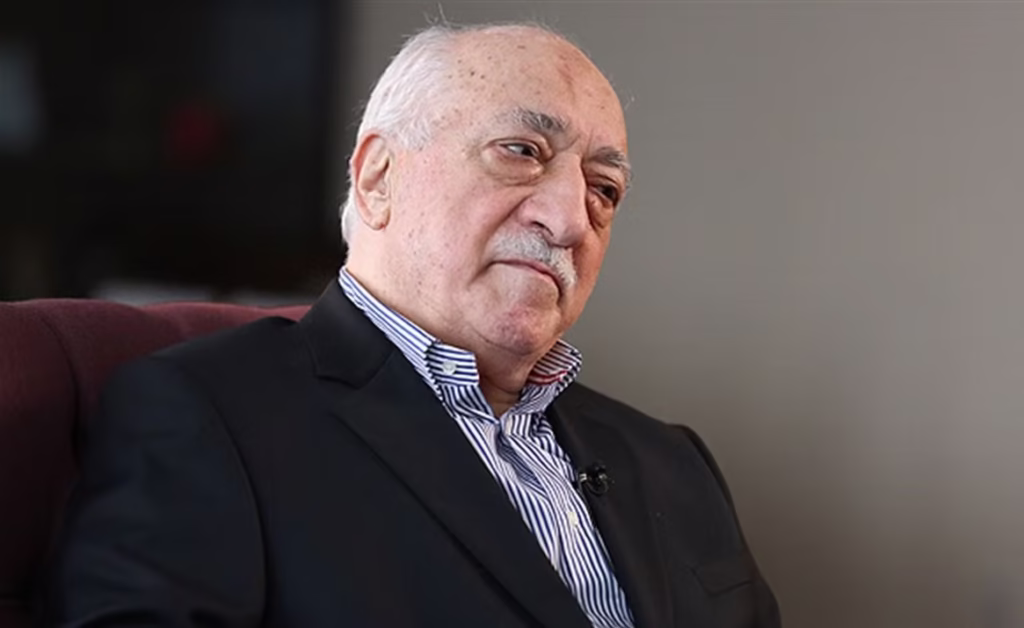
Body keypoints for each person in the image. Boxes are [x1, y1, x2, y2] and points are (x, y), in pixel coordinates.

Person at [43, 22, 781, 628]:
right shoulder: (208, 416)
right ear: (378, 178)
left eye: (604, 188)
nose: (569, 221)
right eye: (522, 152)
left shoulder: (674, 461)